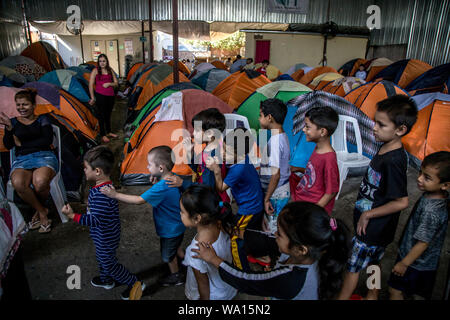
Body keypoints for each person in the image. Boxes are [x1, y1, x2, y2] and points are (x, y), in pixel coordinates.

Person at [338, 94, 418, 300]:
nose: (374, 127)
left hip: (372, 227)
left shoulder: (394, 160)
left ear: (401, 130)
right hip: (378, 228)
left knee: (353, 268)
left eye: (381, 125)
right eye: (375, 122)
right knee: (374, 262)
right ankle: (373, 294)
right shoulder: (385, 146)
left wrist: (368, 215)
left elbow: (402, 201)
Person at [192, 201, 351, 300]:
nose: (274, 234)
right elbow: (268, 239)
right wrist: (239, 233)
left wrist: (214, 260)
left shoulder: (290, 279)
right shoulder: (312, 250)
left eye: (279, 234)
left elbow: (246, 280)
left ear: (300, 249)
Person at [61, 146, 144, 300]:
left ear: (97, 171)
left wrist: (72, 215)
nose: (84, 171)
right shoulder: (102, 187)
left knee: (109, 263)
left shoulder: (101, 195)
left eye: (86, 168)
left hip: (106, 236)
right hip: (104, 233)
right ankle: (107, 280)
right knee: (102, 258)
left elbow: (94, 220)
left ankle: (134, 283)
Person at [101, 146, 186, 286]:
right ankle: (186, 262)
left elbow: (139, 200)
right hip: (178, 225)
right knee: (176, 246)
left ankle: (176, 275)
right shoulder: (173, 178)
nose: (147, 166)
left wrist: (114, 195)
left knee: (167, 256)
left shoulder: (161, 187)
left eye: (149, 164)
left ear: (161, 168)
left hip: (170, 229)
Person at [388, 151, 449, 300]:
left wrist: (404, 263)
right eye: (421, 172)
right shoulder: (433, 196)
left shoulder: (431, 211)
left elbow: (423, 243)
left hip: (416, 263)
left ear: (445, 185)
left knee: (394, 290)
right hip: (423, 263)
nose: (419, 178)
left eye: (427, 177)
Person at [206, 128, 264, 272]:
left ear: (241, 153)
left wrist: (216, 171)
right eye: (223, 149)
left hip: (250, 209)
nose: (223, 154)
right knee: (251, 233)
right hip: (255, 204)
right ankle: (261, 256)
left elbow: (220, 188)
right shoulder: (241, 159)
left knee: (236, 238)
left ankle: (241, 271)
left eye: (228, 152)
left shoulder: (239, 168)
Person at [0, 88, 57, 233]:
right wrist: (10, 129)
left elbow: (46, 141)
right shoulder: (12, 122)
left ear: (33, 105)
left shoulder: (43, 119)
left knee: (40, 183)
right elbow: (8, 145)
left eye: (25, 104)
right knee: (18, 183)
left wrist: (22, 144)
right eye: (18, 105)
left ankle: (38, 213)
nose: (21, 108)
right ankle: (42, 211)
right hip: (22, 159)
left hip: (44, 156)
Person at [181, 185, 238, 300]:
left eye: (182, 212)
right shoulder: (222, 225)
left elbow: (203, 286)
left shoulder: (195, 251)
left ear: (197, 218)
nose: (180, 214)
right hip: (227, 288)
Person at [165, 108, 229, 202]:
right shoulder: (208, 148)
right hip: (206, 195)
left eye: (197, 130)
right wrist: (189, 152)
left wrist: (183, 183)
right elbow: (199, 170)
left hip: (212, 202)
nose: (193, 133)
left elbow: (207, 187)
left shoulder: (213, 156)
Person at [289, 106, 340, 215]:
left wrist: (313, 211)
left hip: (311, 206)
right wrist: (298, 169)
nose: (303, 130)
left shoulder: (329, 158)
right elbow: (314, 173)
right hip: (303, 198)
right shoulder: (317, 148)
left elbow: (331, 192)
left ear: (322, 131)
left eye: (307, 127)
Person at [258, 99, 290, 235]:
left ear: (269, 117)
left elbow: (275, 175)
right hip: (280, 190)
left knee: (272, 231)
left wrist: (266, 199)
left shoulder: (276, 141)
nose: (259, 118)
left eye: (260, 115)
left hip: (276, 193)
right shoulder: (281, 135)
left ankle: (276, 255)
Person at [88, 54, 119, 144]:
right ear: (98, 62)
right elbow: (90, 85)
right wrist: (92, 97)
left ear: (107, 62)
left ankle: (109, 132)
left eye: (104, 61)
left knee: (108, 115)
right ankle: (103, 134)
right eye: (100, 61)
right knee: (101, 115)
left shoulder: (110, 70)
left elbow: (116, 83)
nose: (102, 63)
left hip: (110, 96)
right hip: (100, 95)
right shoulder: (95, 70)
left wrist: (109, 84)